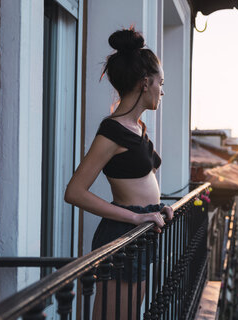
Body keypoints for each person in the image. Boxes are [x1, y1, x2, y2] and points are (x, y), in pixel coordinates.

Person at [64, 27, 173, 320]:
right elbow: (74, 192)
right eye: (161, 83)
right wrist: (138, 216)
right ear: (145, 82)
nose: (162, 90)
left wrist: (156, 209)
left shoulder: (137, 128)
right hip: (123, 234)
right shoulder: (111, 131)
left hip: (141, 233)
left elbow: (139, 182)